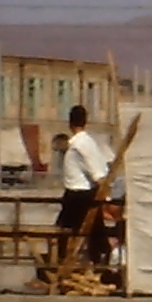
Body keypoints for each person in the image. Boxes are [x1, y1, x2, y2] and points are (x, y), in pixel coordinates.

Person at [57, 105, 113, 263]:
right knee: (91, 232)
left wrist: (106, 197)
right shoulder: (87, 143)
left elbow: (97, 174)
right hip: (81, 194)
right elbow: (100, 171)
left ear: (70, 122)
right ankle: (94, 259)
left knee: (68, 231)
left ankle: (64, 261)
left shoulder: (79, 145)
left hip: (79, 195)